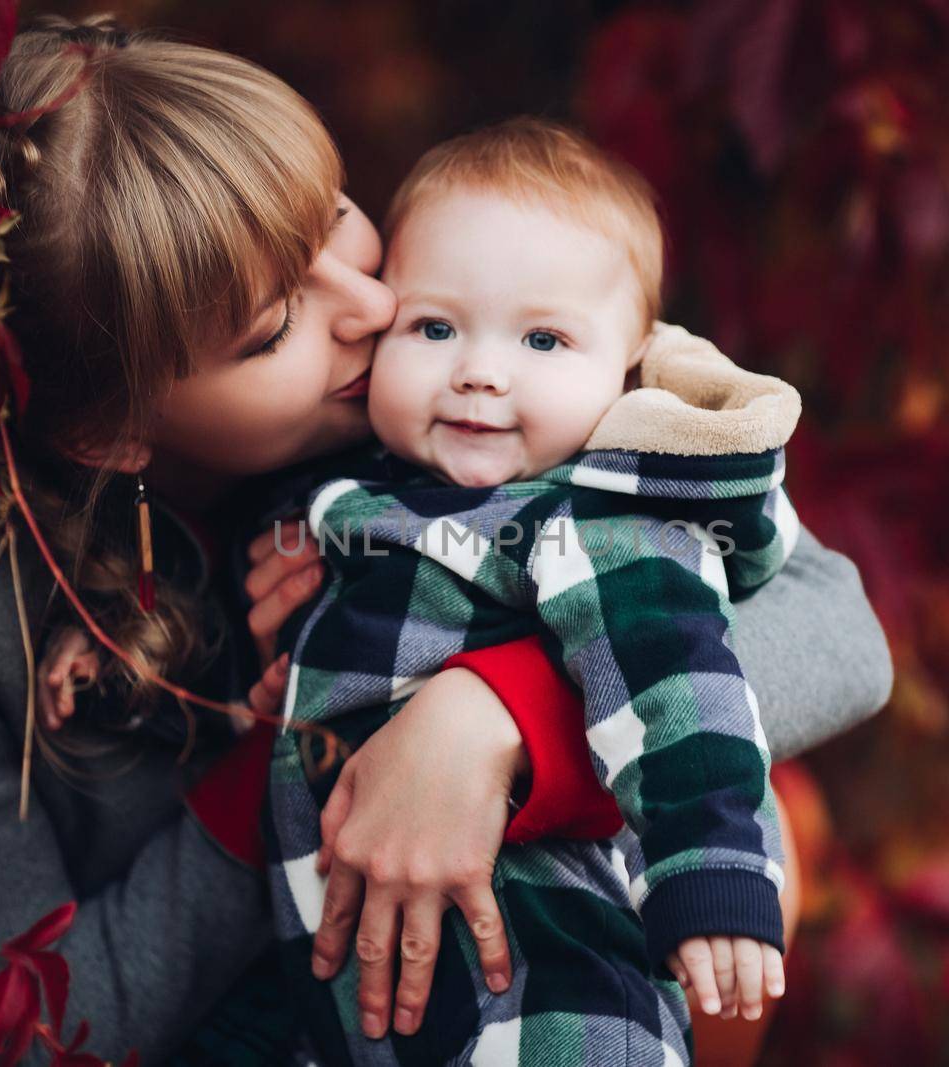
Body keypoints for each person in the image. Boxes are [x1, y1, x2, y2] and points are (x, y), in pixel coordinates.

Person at [0, 16, 893, 1067]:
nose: (374, 303)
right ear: (110, 426)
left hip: (557, 984)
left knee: (763, 830)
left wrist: (487, 716)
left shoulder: (496, 367)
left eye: (332, 218)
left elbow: (833, 623)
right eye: (272, 325)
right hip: (288, 1016)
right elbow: (32, 1029)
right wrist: (310, 759)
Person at [239, 119, 800, 1065]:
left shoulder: (595, 518)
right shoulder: (364, 499)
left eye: (543, 337)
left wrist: (712, 875)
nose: (480, 370)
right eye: (434, 326)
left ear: (627, 371)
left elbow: (683, 690)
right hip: (354, 997)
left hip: (547, 986)